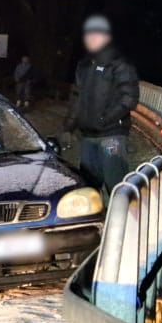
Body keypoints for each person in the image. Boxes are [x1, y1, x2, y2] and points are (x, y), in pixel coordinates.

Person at [64, 14, 139, 195]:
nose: (92, 38)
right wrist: (68, 126)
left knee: (116, 183)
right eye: (89, 35)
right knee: (89, 185)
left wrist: (104, 119)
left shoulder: (120, 65)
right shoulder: (83, 66)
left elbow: (129, 98)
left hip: (111, 135)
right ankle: (96, 219)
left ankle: (125, 218)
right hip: (88, 135)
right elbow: (76, 97)